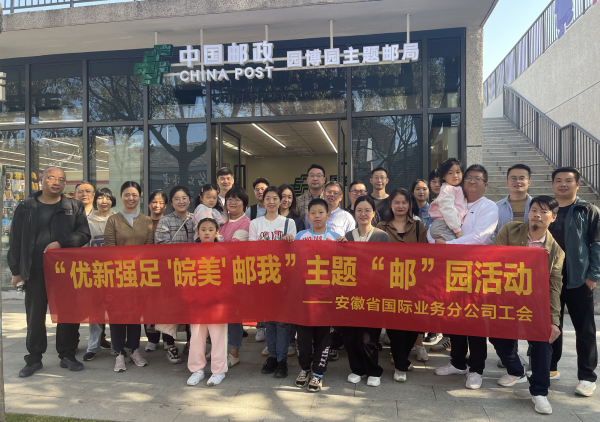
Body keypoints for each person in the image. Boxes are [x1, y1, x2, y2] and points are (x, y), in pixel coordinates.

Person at [8, 166, 91, 377]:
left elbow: (83, 234)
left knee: (67, 313)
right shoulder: (26, 207)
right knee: (35, 316)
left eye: (61, 179)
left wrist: (61, 243)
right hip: (35, 271)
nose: (56, 182)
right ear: (42, 179)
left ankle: (67, 355)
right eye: (52, 178)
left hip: (66, 271)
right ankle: (34, 358)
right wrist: (16, 271)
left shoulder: (73, 206)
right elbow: (15, 240)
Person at [490, 196, 564, 414]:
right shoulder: (509, 230)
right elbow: (494, 261)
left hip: (536, 304)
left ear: (553, 217)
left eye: (544, 211)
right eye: (534, 210)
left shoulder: (556, 252)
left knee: (543, 343)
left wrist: (554, 321)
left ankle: (540, 392)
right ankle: (516, 371)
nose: (537, 215)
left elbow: (554, 287)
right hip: (506, 298)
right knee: (496, 336)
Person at [432, 164, 499, 390]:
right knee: (454, 317)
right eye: (468, 177)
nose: (471, 181)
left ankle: (476, 369)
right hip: (452, 270)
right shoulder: (455, 199)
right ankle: (457, 363)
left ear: (485, 184)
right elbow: (437, 229)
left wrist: (448, 246)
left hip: (476, 271)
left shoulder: (488, 206)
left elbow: (481, 237)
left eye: (477, 178)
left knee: (475, 321)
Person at [549, 167, 599, 397]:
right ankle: (550, 367)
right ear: (552, 185)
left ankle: (587, 377)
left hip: (578, 278)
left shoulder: (587, 210)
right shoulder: (547, 209)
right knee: (551, 324)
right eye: (558, 180)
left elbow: (597, 244)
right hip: (550, 278)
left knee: (584, 328)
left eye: (568, 180)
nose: (563, 184)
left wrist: (593, 276)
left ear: (577, 184)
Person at [339, 195, 390, 387]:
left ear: (374, 213)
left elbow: (387, 266)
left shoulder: (382, 236)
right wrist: (339, 247)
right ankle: (357, 369)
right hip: (351, 295)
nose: (363, 214)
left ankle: (373, 370)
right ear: (354, 213)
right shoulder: (348, 236)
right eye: (359, 210)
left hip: (373, 295)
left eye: (367, 210)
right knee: (350, 337)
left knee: (367, 337)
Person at [376, 189, 427, 381]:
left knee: (413, 325)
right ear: (390, 205)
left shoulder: (419, 226)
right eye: (396, 202)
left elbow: (426, 255)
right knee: (394, 326)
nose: (400, 206)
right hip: (389, 283)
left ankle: (402, 357)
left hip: (414, 284)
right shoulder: (381, 226)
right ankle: (400, 365)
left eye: (404, 202)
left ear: (409, 205)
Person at [104, 181, 154, 372]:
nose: (130, 198)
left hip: (140, 275)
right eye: (127, 194)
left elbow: (149, 247)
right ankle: (118, 353)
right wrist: (123, 267)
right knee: (117, 315)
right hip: (118, 274)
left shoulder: (147, 220)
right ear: (121, 196)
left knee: (135, 314)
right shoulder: (113, 220)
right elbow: (109, 247)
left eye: (134, 195)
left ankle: (134, 350)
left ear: (139, 197)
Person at [292, 198, 341, 392]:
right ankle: (304, 369)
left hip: (326, 299)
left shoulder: (336, 238)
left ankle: (318, 373)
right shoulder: (300, 237)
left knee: (323, 338)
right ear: (308, 216)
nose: (317, 216)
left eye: (321, 212)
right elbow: (291, 262)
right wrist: (287, 242)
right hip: (303, 298)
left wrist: (346, 247)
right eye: (313, 213)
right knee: (303, 338)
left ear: (328, 215)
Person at [250, 186, 297, 378]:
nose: (271, 202)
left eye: (275, 198)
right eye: (268, 198)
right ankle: (272, 356)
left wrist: (290, 241)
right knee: (269, 320)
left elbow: (294, 252)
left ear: (281, 201)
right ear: (262, 201)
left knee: (283, 322)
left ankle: (282, 360)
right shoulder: (255, 223)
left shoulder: (289, 223)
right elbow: (252, 251)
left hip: (283, 279)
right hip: (263, 277)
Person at [154, 186, 195, 364]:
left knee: (191, 310)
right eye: (177, 198)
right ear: (171, 202)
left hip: (193, 273)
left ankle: (191, 343)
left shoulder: (196, 219)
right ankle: (170, 346)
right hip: (171, 273)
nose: (181, 201)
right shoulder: (165, 221)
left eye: (184, 198)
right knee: (170, 310)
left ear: (189, 200)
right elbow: (161, 247)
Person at [187, 218, 229, 387]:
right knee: (196, 337)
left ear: (217, 232)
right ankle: (197, 369)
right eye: (203, 229)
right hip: (196, 302)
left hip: (217, 303)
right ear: (197, 232)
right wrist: (189, 297)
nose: (206, 232)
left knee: (218, 337)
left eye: (210, 230)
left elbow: (228, 278)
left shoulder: (223, 251)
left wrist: (221, 296)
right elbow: (186, 276)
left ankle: (218, 371)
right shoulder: (191, 252)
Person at [83, 187, 117, 362]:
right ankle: (93, 346)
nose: (104, 201)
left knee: (115, 309)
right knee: (95, 310)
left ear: (113, 201)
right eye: (101, 198)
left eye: (108, 198)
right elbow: (83, 246)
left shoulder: (118, 219)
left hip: (116, 271)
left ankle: (118, 346)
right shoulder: (87, 221)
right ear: (95, 200)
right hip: (95, 271)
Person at [219, 187, 252, 368]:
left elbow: (231, 247)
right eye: (229, 199)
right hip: (216, 274)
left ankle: (234, 352)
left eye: (237, 199)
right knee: (217, 314)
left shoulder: (246, 223)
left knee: (232, 315)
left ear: (244, 204)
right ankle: (219, 349)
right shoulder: (221, 220)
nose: (232, 202)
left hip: (234, 275)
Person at [428, 158, 468, 241]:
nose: (455, 176)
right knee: (456, 245)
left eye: (458, 172)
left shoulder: (456, 188)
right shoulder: (447, 189)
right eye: (450, 173)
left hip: (447, 225)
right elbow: (448, 210)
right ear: (443, 176)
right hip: (444, 225)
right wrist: (457, 230)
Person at [495, 164, 532, 235]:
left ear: (529, 182)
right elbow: (492, 232)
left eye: (522, 178)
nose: (517, 181)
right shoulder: (497, 207)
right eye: (513, 178)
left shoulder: (537, 205)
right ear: (507, 182)